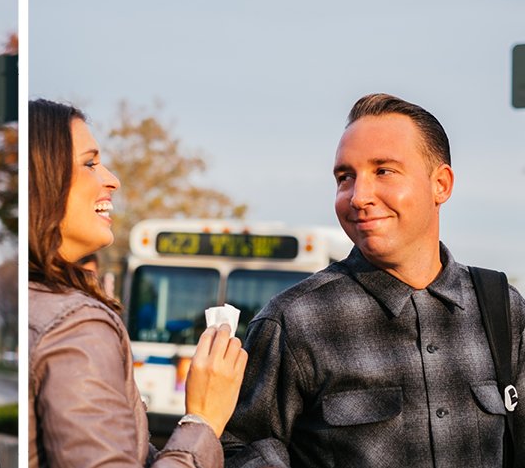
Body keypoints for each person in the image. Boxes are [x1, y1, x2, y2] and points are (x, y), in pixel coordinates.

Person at [222, 94, 525, 466]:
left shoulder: (503, 309)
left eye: (383, 170)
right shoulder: (292, 322)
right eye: (344, 177)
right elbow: (238, 448)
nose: (358, 196)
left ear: (441, 185)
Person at [28, 98, 249, 468]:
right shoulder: (75, 324)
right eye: (90, 163)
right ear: (45, 181)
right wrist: (204, 419)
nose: (111, 179)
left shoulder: (39, 306)